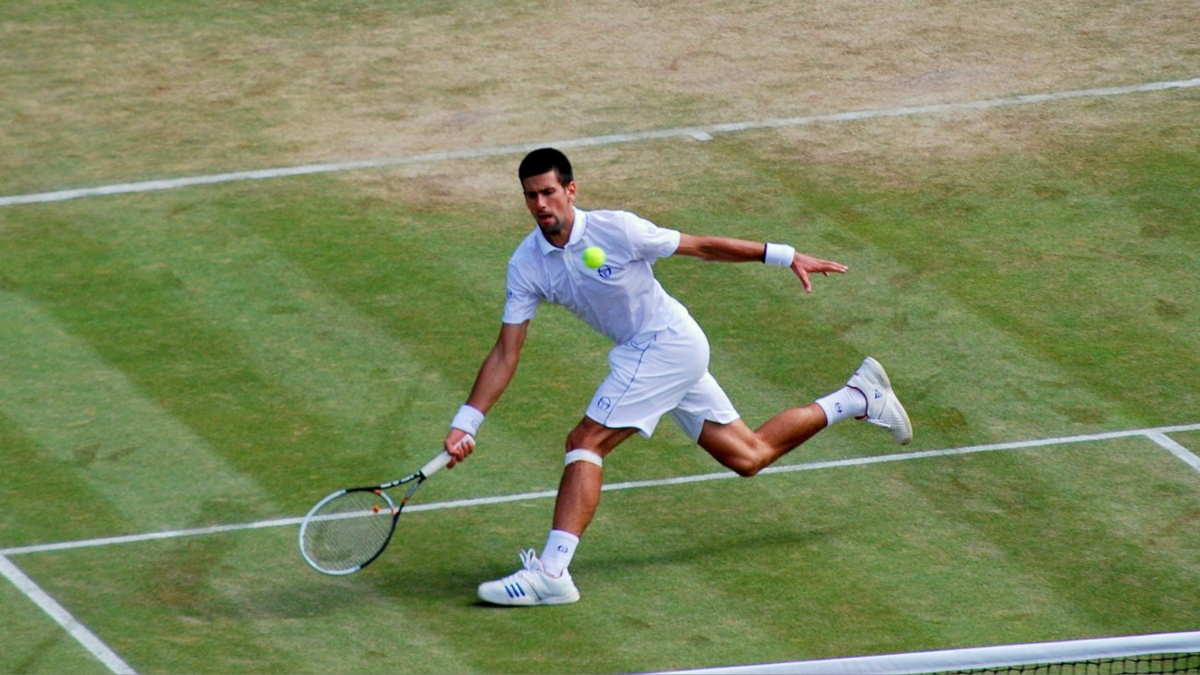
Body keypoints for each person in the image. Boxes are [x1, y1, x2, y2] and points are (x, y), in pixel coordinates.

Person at [442, 148, 912, 606]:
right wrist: (468, 420)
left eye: (548, 192)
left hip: (666, 344)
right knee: (749, 456)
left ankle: (551, 573)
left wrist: (785, 255)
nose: (540, 205)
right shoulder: (525, 264)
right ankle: (858, 396)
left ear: (570, 190)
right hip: (649, 352)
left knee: (585, 442)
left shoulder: (618, 229)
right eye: (530, 196)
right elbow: (507, 350)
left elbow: (702, 247)